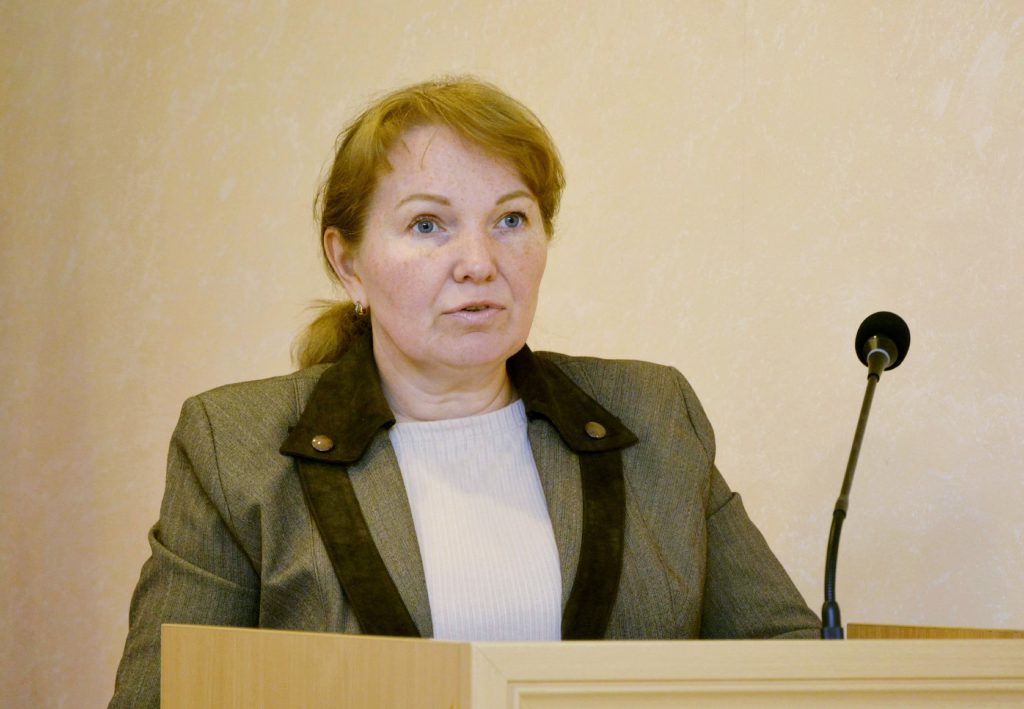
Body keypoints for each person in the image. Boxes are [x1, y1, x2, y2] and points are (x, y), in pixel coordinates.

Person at [109, 77, 819, 707]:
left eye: (510, 220)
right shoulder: (236, 446)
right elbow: (162, 698)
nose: (479, 263)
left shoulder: (653, 413)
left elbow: (792, 663)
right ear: (347, 262)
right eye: (428, 225)